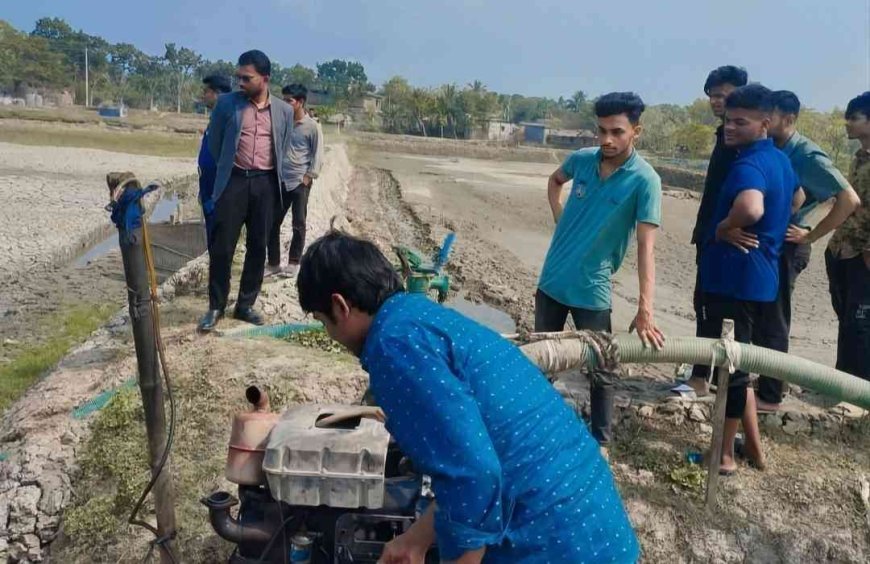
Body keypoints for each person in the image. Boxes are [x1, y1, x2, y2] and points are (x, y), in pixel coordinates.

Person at [296, 231, 640, 564]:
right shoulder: (419, 317)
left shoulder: (392, 346)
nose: (331, 335)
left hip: (553, 539)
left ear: (339, 306)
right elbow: (470, 463)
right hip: (595, 522)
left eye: (323, 321)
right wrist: (415, 541)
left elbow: (473, 478)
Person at [536, 91, 664, 450]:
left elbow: (645, 247)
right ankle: (537, 434)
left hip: (592, 289)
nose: (607, 140)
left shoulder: (645, 181)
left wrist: (645, 309)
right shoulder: (581, 160)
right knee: (541, 363)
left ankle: (601, 443)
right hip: (551, 280)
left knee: (602, 367)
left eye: (617, 132)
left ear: (636, 131)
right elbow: (554, 181)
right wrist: (559, 217)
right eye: (602, 130)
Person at [698, 84, 803, 474]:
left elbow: (751, 206)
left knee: (730, 369)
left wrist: (726, 225)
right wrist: (775, 234)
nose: (730, 127)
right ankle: (755, 452)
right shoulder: (779, 160)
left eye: (741, 121)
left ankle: (724, 456)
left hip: (733, 278)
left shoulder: (747, 164)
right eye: (728, 119)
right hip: (759, 278)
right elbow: (796, 198)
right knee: (741, 365)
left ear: (765, 123)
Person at [754, 90, 861, 410]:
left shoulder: (807, 155)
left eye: (768, 115)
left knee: (774, 318)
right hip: (769, 241)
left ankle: (771, 394)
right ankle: (763, 382)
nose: (764, 120)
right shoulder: (773, 147)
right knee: (759, 314)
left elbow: (848, 199)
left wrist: (811, 235)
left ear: (788, 119)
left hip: (789, 246)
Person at [198, 50, 294, 332]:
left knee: (257, 246)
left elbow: (283, 146)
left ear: (265, 79)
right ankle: (216, 306)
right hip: (234, 182)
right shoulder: (227, 104)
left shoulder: (284, 111)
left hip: (265, 184)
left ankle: (245, 305)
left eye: (247, 77)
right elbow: (214, 145)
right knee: (222, 246)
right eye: (239, 76)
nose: (240, 82)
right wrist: (231, 169)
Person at [688, 65, 749, 396]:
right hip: (711, 236)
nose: (715, 100)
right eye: (711, 94)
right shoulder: (722, 136)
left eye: (722, 94)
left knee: (726, 311)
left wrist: (730, 226)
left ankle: (706, 380)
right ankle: (706, 375)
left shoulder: (742, 143)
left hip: (727, 240)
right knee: (705, 306)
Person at [825, 92, 870, 381]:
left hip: (863, 254)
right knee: (847, 320)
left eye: (854, 118)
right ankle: (843, 382)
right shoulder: (858, 158)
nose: (847, 123)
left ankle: (859, 394)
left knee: (861, 322)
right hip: (843, 249)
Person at [265, 83, 323, 278]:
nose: (285, 103)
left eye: (289, 100)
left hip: (300, 182)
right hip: (280, 181)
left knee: (298, 223)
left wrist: (308, 177)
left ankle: (293, 263)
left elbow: (317, 155)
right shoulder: (282, 122)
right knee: (272, 223)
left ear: (300, 102)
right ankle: (273, 263)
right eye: (284, 99)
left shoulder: (312, 127)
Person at [198, 74, 232, 246]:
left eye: (207, 91)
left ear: (218, 94)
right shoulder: (215, 120)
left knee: (219, 241)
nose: (203, 95)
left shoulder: (229, 120)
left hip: (218, 195)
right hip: (208, 190)